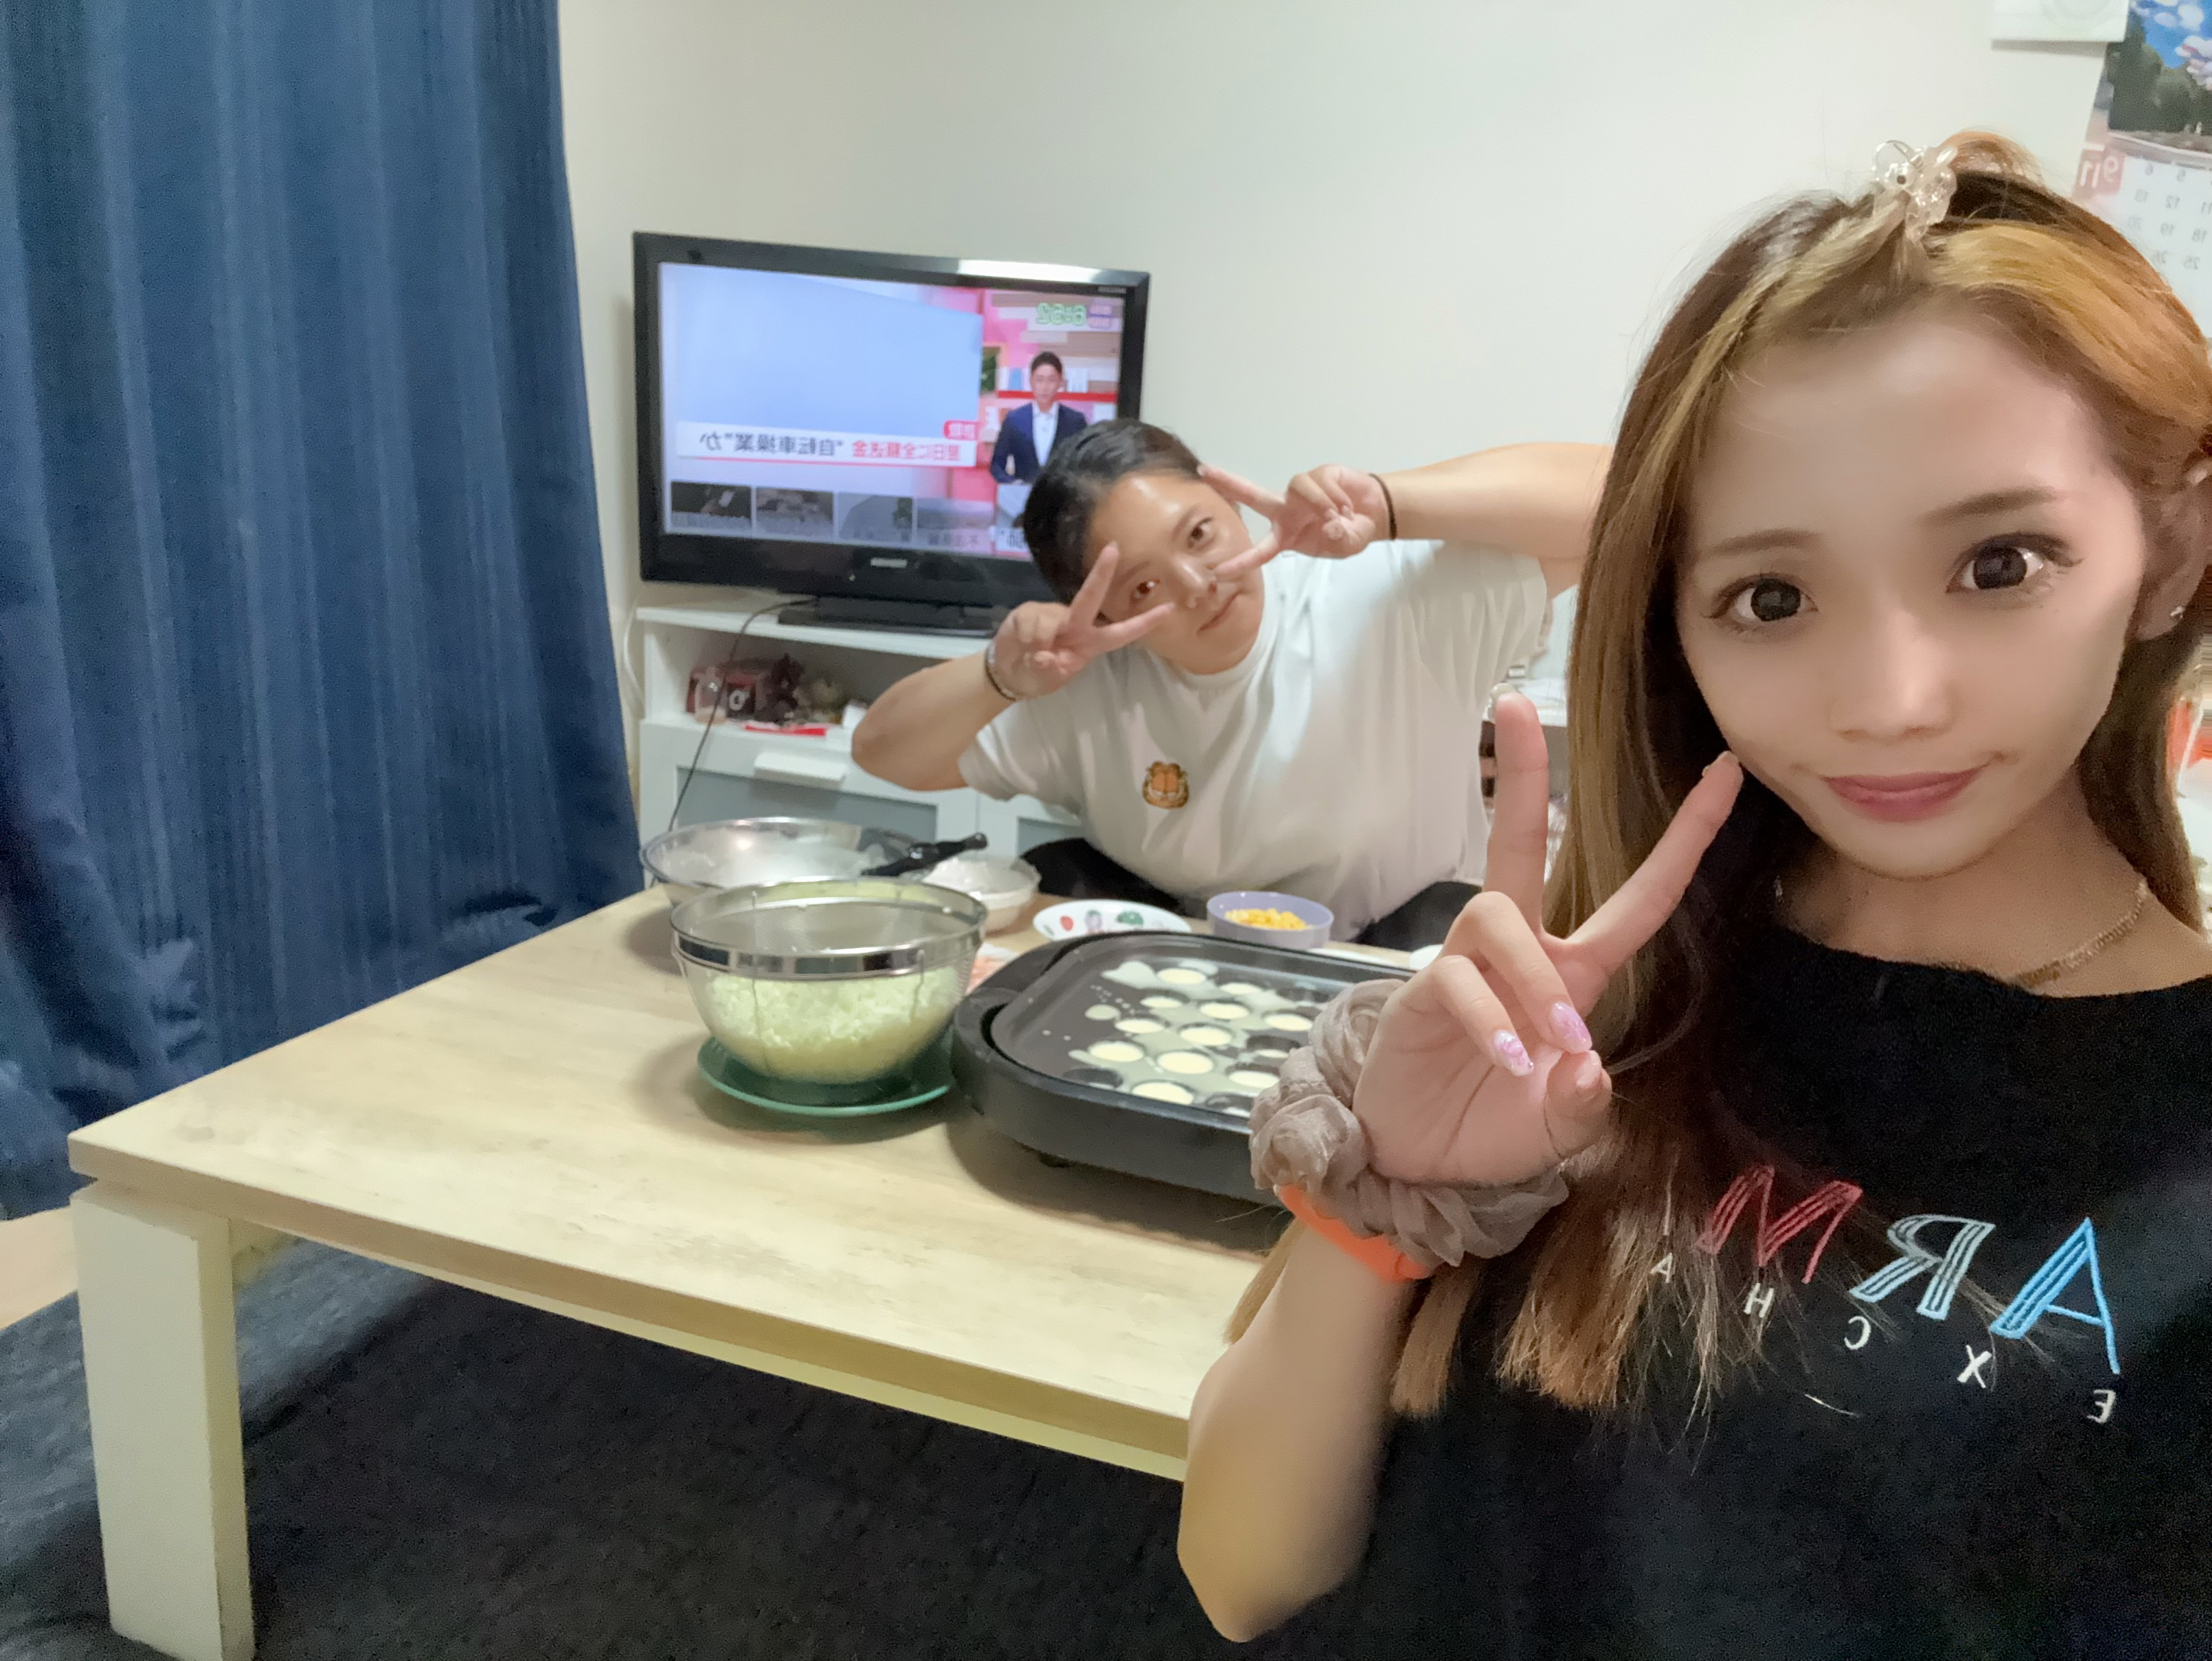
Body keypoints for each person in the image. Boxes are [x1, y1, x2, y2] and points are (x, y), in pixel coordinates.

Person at [1178, 134, 2212, 1656]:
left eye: (2000, 563)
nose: (1891, 699)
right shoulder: (1602, 1000)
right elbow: (1241, 1570)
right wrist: (1383, 1208)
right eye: (1771, 597)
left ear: (2172, 550)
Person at [851, 421, 1606, 947]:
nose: (1196, 585)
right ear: (1103, 611)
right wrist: (998, 676)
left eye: (1199, 534)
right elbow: (883, 752)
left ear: (1234, 502)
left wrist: (1388, 502)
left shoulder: (1383, 596)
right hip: (1194, 966)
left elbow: (1624, 492)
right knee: (1059, 874)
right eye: (1143, 587)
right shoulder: (1093, 684)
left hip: (1395, 960)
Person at [988, 351, 1086, 484]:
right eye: (1039, 380)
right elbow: (997, 465)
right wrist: (1014, 483)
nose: (1044, 387)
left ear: (1060, 382)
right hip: (1023, 494)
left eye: (1051, 380)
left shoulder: (1075, 421)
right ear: (1031, 381)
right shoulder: (1014, 420)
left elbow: (1085, 467)